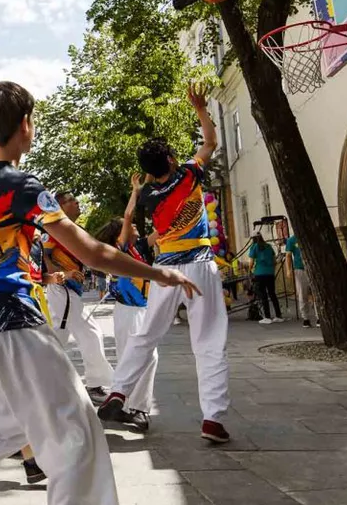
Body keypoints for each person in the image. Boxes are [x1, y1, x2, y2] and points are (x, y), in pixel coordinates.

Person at [0, 81, 199, 505]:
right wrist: (157, 273)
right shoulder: (23, 185)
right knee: (77, 430)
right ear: (25, 125)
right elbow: (92, 251)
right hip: (13, 317)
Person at [99, 84, 233, 444]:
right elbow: (210, 143)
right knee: (209, 341)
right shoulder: (188, 176)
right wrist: (201, 108)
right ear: (172, 160)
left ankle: (118, 391)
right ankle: (213, 419)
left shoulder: (146, 195)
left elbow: (138, 213)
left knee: (145, 336)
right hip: (200, 265)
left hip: (165, 271)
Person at [93, 173, 158, 432]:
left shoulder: (140, 247)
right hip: (128, 312)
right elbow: (129, 216)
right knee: (146, 356)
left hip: (140, 310)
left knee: (138, 358)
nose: (134, 227)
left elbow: (161, 231)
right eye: (129, 227)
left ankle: (124, 405)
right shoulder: (120, 250)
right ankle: (136, 408)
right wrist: (135, 191)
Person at [41, 190, 114, 404]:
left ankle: (43, 380)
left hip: (71, 291)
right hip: (62, 290)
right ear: (61, 206)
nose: (77, 203)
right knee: (86, 334)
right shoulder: (53, 229)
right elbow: (44, 255)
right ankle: (92, 384)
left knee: (61, 336)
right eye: (72, 200)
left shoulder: (73, 230)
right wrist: (60, 275)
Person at [284, 230, 319, 328]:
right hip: (300, 269)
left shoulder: (311, 236)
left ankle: (319, 316)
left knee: (316, 293)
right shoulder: (292, 240)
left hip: (313, 268)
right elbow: (288, 256)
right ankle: (305, 318)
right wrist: (288, 269)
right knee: (302, 294)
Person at [247, 234, 283, 325]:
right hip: (270, 273)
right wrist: (272, 270)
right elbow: (274, 261)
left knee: (263, 295)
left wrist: (249, 270)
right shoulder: (269, 246)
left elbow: (251, 262)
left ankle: (267, 317)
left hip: (259, 273)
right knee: (272, 294)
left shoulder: (254, 247)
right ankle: (278, 316)